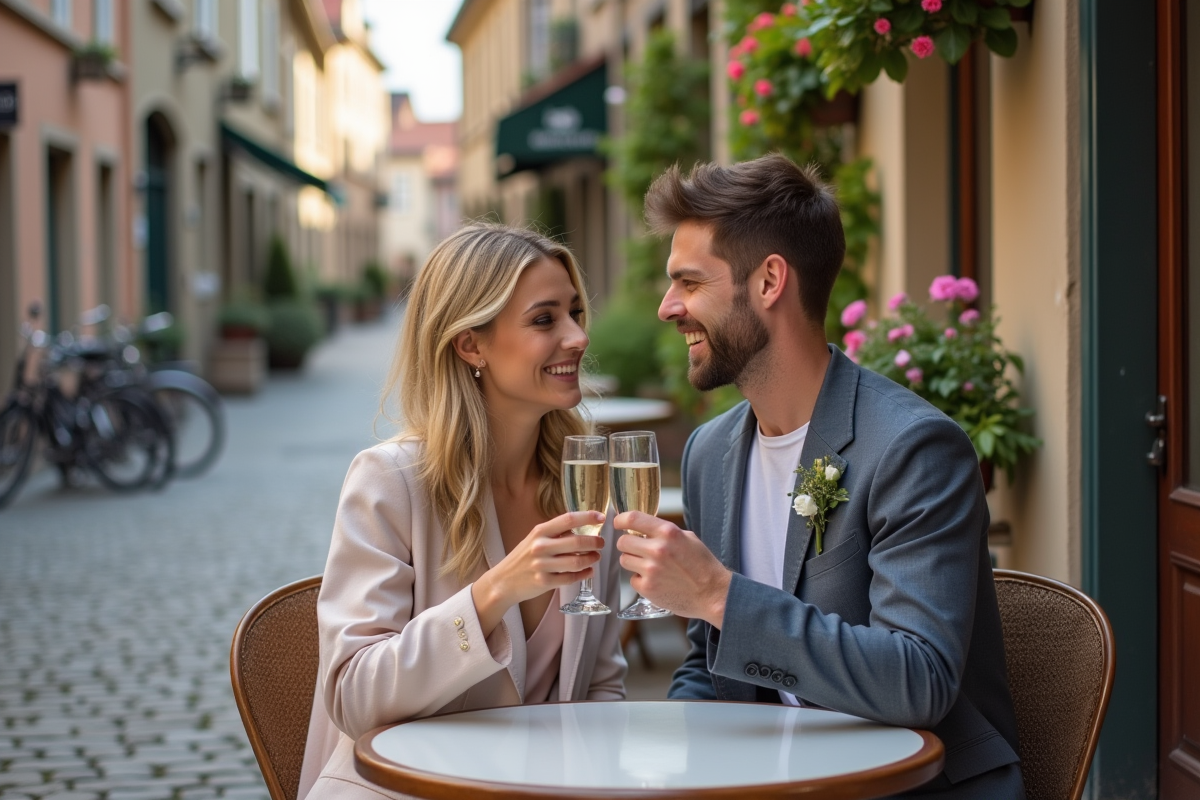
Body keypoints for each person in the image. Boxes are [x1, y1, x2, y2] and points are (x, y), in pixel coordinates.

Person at [613, 155, 1025, 798]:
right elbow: (707, 663)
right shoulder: (708, 453)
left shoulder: (914, 450)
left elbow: (918, 679)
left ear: (770, 280)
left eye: (689, 282)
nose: (669, 308)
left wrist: (721, 595)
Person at [299, 224, 627, 799]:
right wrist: (494, 592)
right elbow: (355, 696)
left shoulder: (583, 486)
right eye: (544, 319)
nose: (577, 336)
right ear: (471, 344)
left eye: (575, 312)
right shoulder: (391, 483)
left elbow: (601, 685)